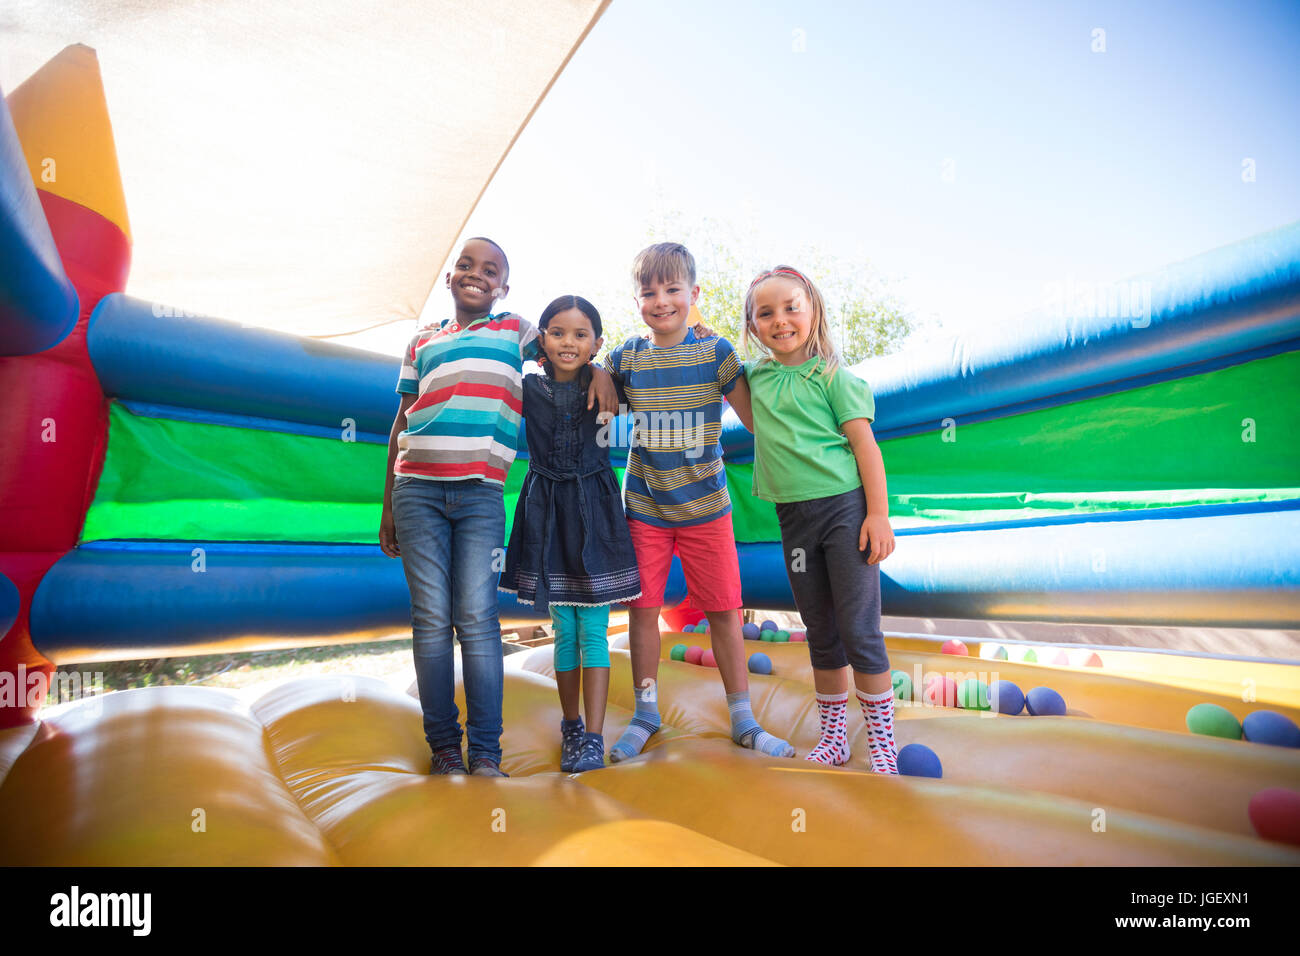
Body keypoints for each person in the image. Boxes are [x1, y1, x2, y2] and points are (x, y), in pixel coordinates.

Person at [379, 237, 618, 776]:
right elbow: (400, 424)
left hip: (481, 494)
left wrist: (601, 371)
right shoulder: (422, 341)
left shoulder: (515, 330)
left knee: (478, 618)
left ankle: (486, 750)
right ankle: (444, 747)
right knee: (432, 619)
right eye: (465, 265)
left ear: (503, 287)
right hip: (415, 490)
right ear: (449, 278)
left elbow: (570, 350)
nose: (476, 274)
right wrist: (388, 505)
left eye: (490, 270)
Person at [605, 242, 795, 763]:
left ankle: (743, 719)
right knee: (643, 611)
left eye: (672, 290)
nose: (661, 300)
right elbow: (597, 394)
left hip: (707, 507)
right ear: (637, 299)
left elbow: (758, 420)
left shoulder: (715, 353)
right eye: (649, 292)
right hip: (645, 504)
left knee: (724, 612)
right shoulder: (626, 358)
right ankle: (646, 713)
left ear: (694, 294)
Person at [742, 265, 899, 773]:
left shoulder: (835, 378)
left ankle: (882, 743)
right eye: (765, 313)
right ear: (752, 325)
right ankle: (834, 736)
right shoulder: (758, 381)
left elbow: (865, 448)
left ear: (813, 312)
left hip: (844, 511)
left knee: (859, 628)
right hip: (795, 520)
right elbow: (729, 387)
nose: (780, 320)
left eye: (792, 307)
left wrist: (878, 515)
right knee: (820, 629)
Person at [499, 295, 641, 773]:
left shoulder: (607, 386)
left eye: (581, 335)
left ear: (596, 343)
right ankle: (571, 724)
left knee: (594, 631)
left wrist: (601, 370)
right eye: (557, 332)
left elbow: (637, 374)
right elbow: (510, 340)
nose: (568, 342)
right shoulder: (528, 385)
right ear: (541, 339)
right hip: (548, 512)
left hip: (595, 510)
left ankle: (595, 737)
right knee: (564, 632)